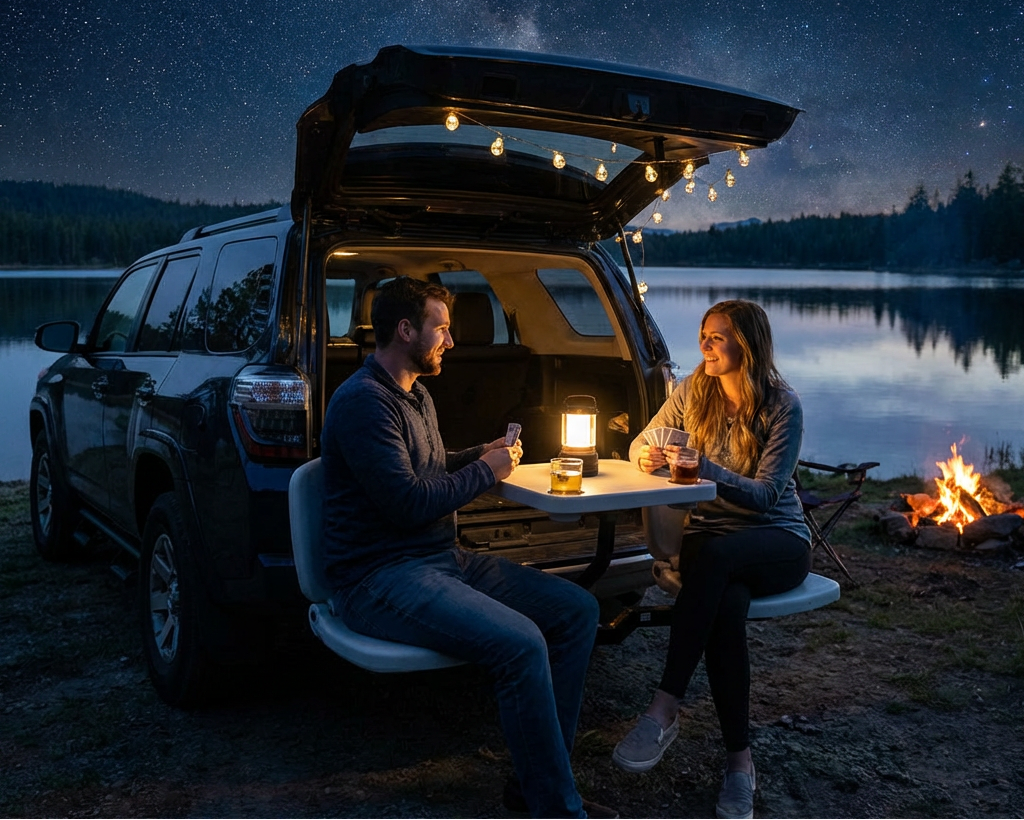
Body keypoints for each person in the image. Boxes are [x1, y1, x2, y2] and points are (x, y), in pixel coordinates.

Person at [321, 276, 615, 820]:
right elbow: (407, 502)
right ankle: (556, 808)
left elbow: (423, 468)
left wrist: (478, 453)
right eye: (443, 328)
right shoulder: (363, 402)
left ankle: (538, 787)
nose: (451, 342)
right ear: (406, 330)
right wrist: (486, 470)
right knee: (522, 643)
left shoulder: (417, 394)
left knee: (578, 611)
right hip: (378, 577)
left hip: (439, 563)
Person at [611, 300, 811, 820]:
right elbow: (641, 443)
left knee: (715, 558)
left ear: (747, 343)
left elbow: (768, 495)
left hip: (775, 541)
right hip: (711, 542)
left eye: (717, 337)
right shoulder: (692, 390)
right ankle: (740, 765)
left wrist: (708, 472)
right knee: (725, 609)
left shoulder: (781, 405)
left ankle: (664, 707)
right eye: (703, 334)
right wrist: (647, 458)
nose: (705, 345)